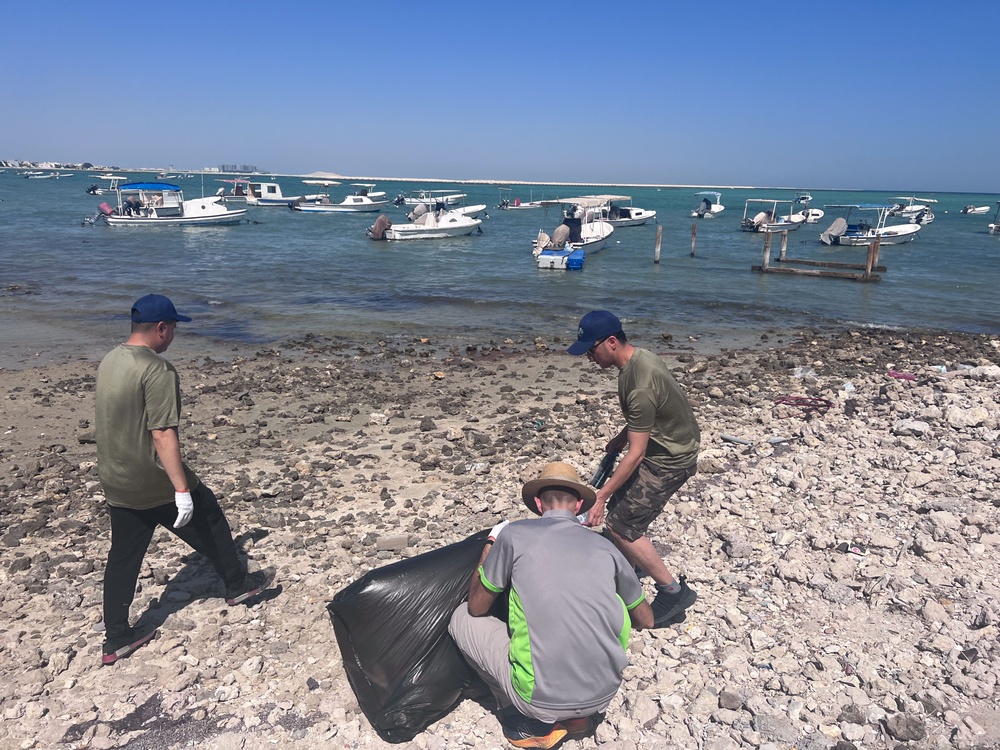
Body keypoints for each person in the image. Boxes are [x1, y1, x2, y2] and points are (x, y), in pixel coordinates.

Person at [95, 293, 275, 666]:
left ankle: (116, 638)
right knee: (208, 516)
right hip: (152, 480)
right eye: (173, 328)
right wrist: (181, 490)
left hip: (116, 477)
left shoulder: (111, 360)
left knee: (123, 558)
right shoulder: (158, 370)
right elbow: (162, 433)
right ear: (161, 328)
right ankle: (239, 587)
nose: (174, 335)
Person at [449, 462, 654, 749]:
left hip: (539, 700)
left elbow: (477, 606)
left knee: (460, 617)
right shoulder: (607, 547)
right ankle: (578, 719)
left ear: (537, 503)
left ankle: (528, 721)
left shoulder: (514, 535)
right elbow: (647, 620)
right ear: (579, 504)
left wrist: (490, 545)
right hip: (604, 693)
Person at [567, 310, 700, 628]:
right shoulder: (639, 360)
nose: (588, 356)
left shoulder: (638, 384)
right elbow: (649, 417)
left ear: (610, 342)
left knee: (621, 526)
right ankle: (623, 570)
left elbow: (637, 454)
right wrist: (620, 436)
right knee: (619, 510)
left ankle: (673, 591)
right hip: (665, 444)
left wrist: (599, 496)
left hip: (669, 460)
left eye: (590, 348)